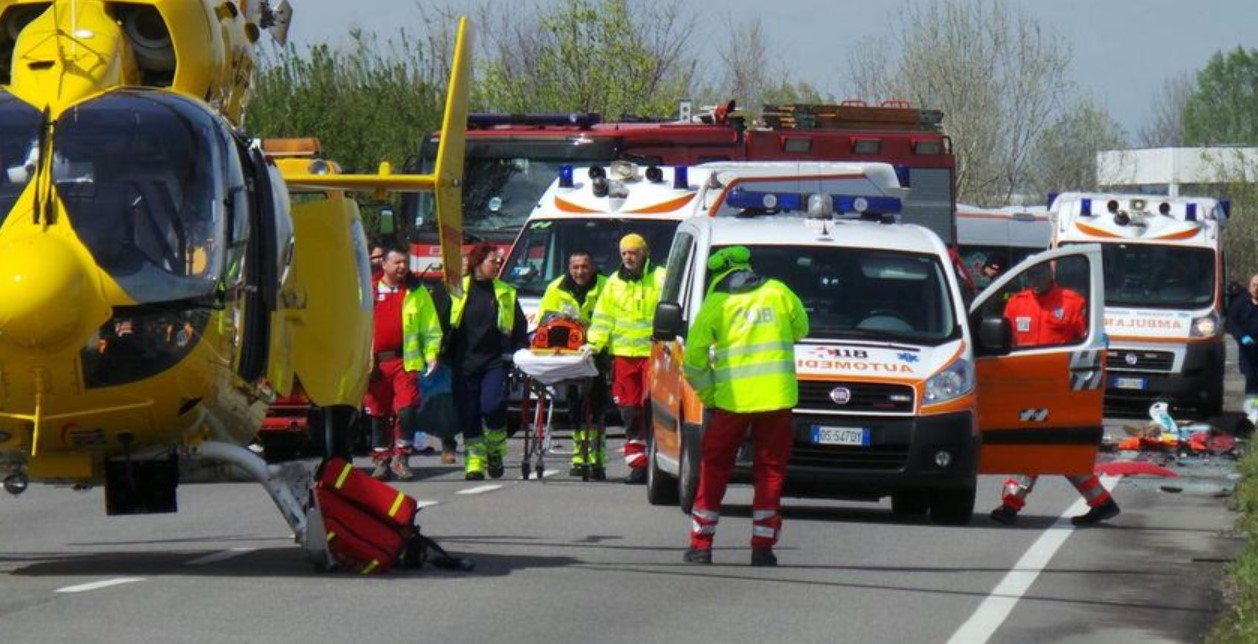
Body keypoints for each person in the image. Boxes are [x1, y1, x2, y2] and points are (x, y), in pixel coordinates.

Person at [681, 247, 808, 566]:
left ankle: (701, 545)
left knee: (714, 469)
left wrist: (710, 397)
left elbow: (693, 363)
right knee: (770, 471)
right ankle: (762, 547)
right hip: (776, 399)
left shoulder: (716, 304)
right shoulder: (778, 291)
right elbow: (801, 330)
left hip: (731, 402)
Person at [990, 262, 1120, 526]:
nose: (1034, 280)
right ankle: (1102, 502)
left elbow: (1091, 345)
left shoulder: (1072, 303)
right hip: (1025, 387)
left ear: (1051, 274)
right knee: (1059, 450)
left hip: (1059, 391)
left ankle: (1010, 505)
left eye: (1039, 274)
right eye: (1030, 275)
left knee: (1034, 446)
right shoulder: (1017, 303)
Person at [587, 233, 665, 485]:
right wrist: (594, 344)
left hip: (654, 356)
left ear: (645, 253)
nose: (629, 257)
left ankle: (656, 461)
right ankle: (638, 464)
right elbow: (603, 317)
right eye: (624, 253)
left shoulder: (661, 277)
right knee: (629, 412)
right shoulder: (613, 283)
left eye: (633, 252)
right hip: (623, 356)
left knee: (651, 410)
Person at [447, 243, 528, 480]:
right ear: (478, 263)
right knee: (469, 413)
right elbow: (441, 319)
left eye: (498, 261)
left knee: (492, 407)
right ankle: (474, 462)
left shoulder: (505, 292)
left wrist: (521, 349)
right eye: (493, 261)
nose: (497, 265)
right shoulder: (457, 289)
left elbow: (519, 326)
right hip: (463, 361)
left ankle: (494, 451)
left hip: (494, 361)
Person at [364, 247, 443, 481]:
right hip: (376, 365)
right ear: (384, 265)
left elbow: (431, 328)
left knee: (406, 410)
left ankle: (401, 457)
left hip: (405, 362)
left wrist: (431, 354)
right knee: (378, 412)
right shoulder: (366, 291)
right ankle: (381, 460)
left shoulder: (416, 292)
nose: (402, 267)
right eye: (397, 262)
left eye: (405, 262)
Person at [537, 250, 609, 477]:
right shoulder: (556, 288)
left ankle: (597, 456)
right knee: (574, 401)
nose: (580, 272)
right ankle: (579, 454)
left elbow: (613, 317)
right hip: (568, 352)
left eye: (585, 267)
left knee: (596, 403)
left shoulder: (607, 286)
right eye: (576, 267)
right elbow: (544, 319)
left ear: (593, 267)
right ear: (569, 268)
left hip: (599, 350)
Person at [1227, 273, 1258, 424]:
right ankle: (1251, 413)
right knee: (1251, 379)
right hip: (1248, 349)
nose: (1257, 288)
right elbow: (1232, 323)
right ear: (1250, 286)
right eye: (1254, 285)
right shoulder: (1241, 302)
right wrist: (1242, 337)